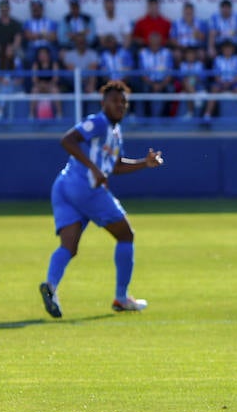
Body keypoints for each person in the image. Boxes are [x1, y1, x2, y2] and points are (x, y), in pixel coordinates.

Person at [40, 80, 163, 318]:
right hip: (84, 186)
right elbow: (67, 140)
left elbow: (115, 165)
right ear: (103, 102)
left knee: (69, 246)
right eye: (115, 101)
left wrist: (144, 163)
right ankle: (121, 297)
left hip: (64, 187)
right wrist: (93, 168)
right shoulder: (98, 122)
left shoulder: (115, 132)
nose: (120, 105)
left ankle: (50, 286)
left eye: (124, 102)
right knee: (126, 235)